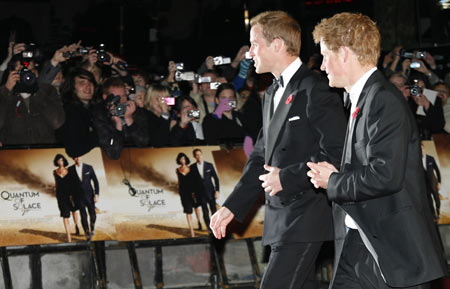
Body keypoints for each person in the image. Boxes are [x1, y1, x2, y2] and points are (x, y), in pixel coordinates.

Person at [307, 12, 447, 289]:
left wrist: (333, 181)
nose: (323, 66)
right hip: (362, 242)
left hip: (392, 251)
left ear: (344, 53)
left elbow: (385, 175)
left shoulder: (382, 100)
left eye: (325, 55)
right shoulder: (365, 98)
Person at [210, 11, 347, 289]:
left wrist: (286, 177)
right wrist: (232, 206)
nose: (250, 53)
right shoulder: (272, 93)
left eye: (254, 43)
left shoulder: (315, 88)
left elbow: (336, 153)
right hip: (282, 220)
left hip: (307, 215)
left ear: (277, 45)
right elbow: (261, 156)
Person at [0, 53, 65, 146]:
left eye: (31, 71)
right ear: (12, 73)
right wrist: (7, 91)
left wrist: (37, 92)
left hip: (44, 153)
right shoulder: (4, 93)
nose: (27, 74)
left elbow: (57, 122)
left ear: (37, 73)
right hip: (15, 153)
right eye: (22, 71)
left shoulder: (47, 91)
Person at [92, 77, 149, 159]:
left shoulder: (134, 110)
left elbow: (143, 142)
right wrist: (118, 126)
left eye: (124, 96)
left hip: (139, 161)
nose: (122, 101)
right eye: (117, 98)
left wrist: (129, 120)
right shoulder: (100, 115)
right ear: (105, 97)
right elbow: (112, 151)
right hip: (111, 167)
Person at [57, 68, 99, 158]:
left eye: (90, 82)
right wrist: (101, 134)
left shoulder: (96, 109)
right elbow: (75, 149)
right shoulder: (70, 112)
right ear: (72, 88)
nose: (88, 86)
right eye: (82, 83)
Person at [68, 156, 100, 241]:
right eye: (75, 157)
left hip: (90, 196)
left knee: (93, 214)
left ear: (81, 157)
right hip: (78, 196)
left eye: (78, 157)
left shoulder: (89, 167)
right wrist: (70, 195)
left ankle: (92, 227)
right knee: (83, 215)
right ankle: (87, 233)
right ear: (73, 159)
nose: (77, 159)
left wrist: (96, 194)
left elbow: (96, 181)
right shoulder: (70, 169)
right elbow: (69, 184)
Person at [53, 154, 81, 243]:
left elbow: (73, 183)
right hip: (61, 196)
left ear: (64, 161)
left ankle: (77, 226)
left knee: (74, 212)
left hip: (71, 194)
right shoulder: (55, 172)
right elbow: (56, 184)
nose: (60, 162)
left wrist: (75, 194)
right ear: (56, 162)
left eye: (61, 160)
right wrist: (56, 194)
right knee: (65, 215)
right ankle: (68, 236)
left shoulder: (69, 170)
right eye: (58, 160)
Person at [175, 152, 203, 237]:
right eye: (180, 159)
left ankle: (199, 222)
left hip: (193, 192)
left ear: (186, 159)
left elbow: (196, 180)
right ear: (179, 160)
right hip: (184, 193)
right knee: (188, 211)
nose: (182, 160)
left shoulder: (191, 168)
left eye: (183, 158)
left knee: (197, 208)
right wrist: (179, 191)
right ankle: (192, 232)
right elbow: (179, 181)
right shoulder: (177, 170)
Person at [190, 148, 219, 226]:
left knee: (214, 210)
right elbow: (192, 182)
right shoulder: (192, 167)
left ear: (202, 155)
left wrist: (217, 191)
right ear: (194, 156)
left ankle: (215, 226)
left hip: (211, 192)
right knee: (205, 211)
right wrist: (193, 193)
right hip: (200, 193)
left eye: (199, 154)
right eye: (196, 155)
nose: (198, 156)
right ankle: (209, 228)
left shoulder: (209, 165)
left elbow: (216, 178)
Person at [421, 143, 442, 223]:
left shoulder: (430, 158)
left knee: (437, 199)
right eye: (419, 150)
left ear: (424, 149)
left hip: (433, 183)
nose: (421, 151)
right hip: (425, 185)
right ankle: (433, 216)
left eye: (422, 149)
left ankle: (438, 211)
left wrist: (439, 182)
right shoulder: (417, 161)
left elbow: (437, 171)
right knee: (429, 201)